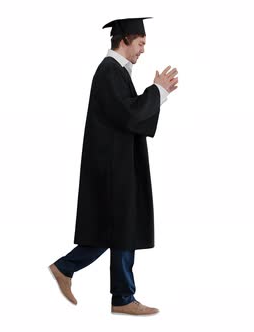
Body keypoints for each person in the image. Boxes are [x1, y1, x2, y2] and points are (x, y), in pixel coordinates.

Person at [48, 17, 178, 316]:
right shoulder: (109, 71)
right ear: (125, 40)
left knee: (121, 228)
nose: (143, 50)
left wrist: (159, 95)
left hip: (118, 164)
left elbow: (128, 115)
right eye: (141, 43)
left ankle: (110, 290)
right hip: (112, 168)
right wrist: (157, 91)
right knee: (118, 228)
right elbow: (130, 115)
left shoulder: (117, 72)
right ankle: (97, 284)